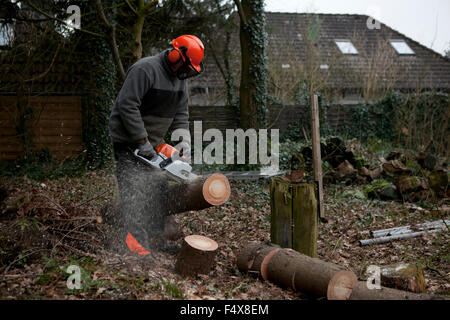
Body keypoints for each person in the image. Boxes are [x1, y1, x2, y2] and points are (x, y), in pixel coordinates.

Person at [108, 35, 205, 257]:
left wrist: (184, 141)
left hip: (154, 143)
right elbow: (127, 105)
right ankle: (136, 248)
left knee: (159, 189)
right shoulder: (145, 70)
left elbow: (182, 113)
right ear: (175, 55)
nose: (187, 72)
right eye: (186, 66)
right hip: (128, 141)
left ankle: (156, 239)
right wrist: (142, 141)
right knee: (134, 192)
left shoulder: (181, 80)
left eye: (191, 69)